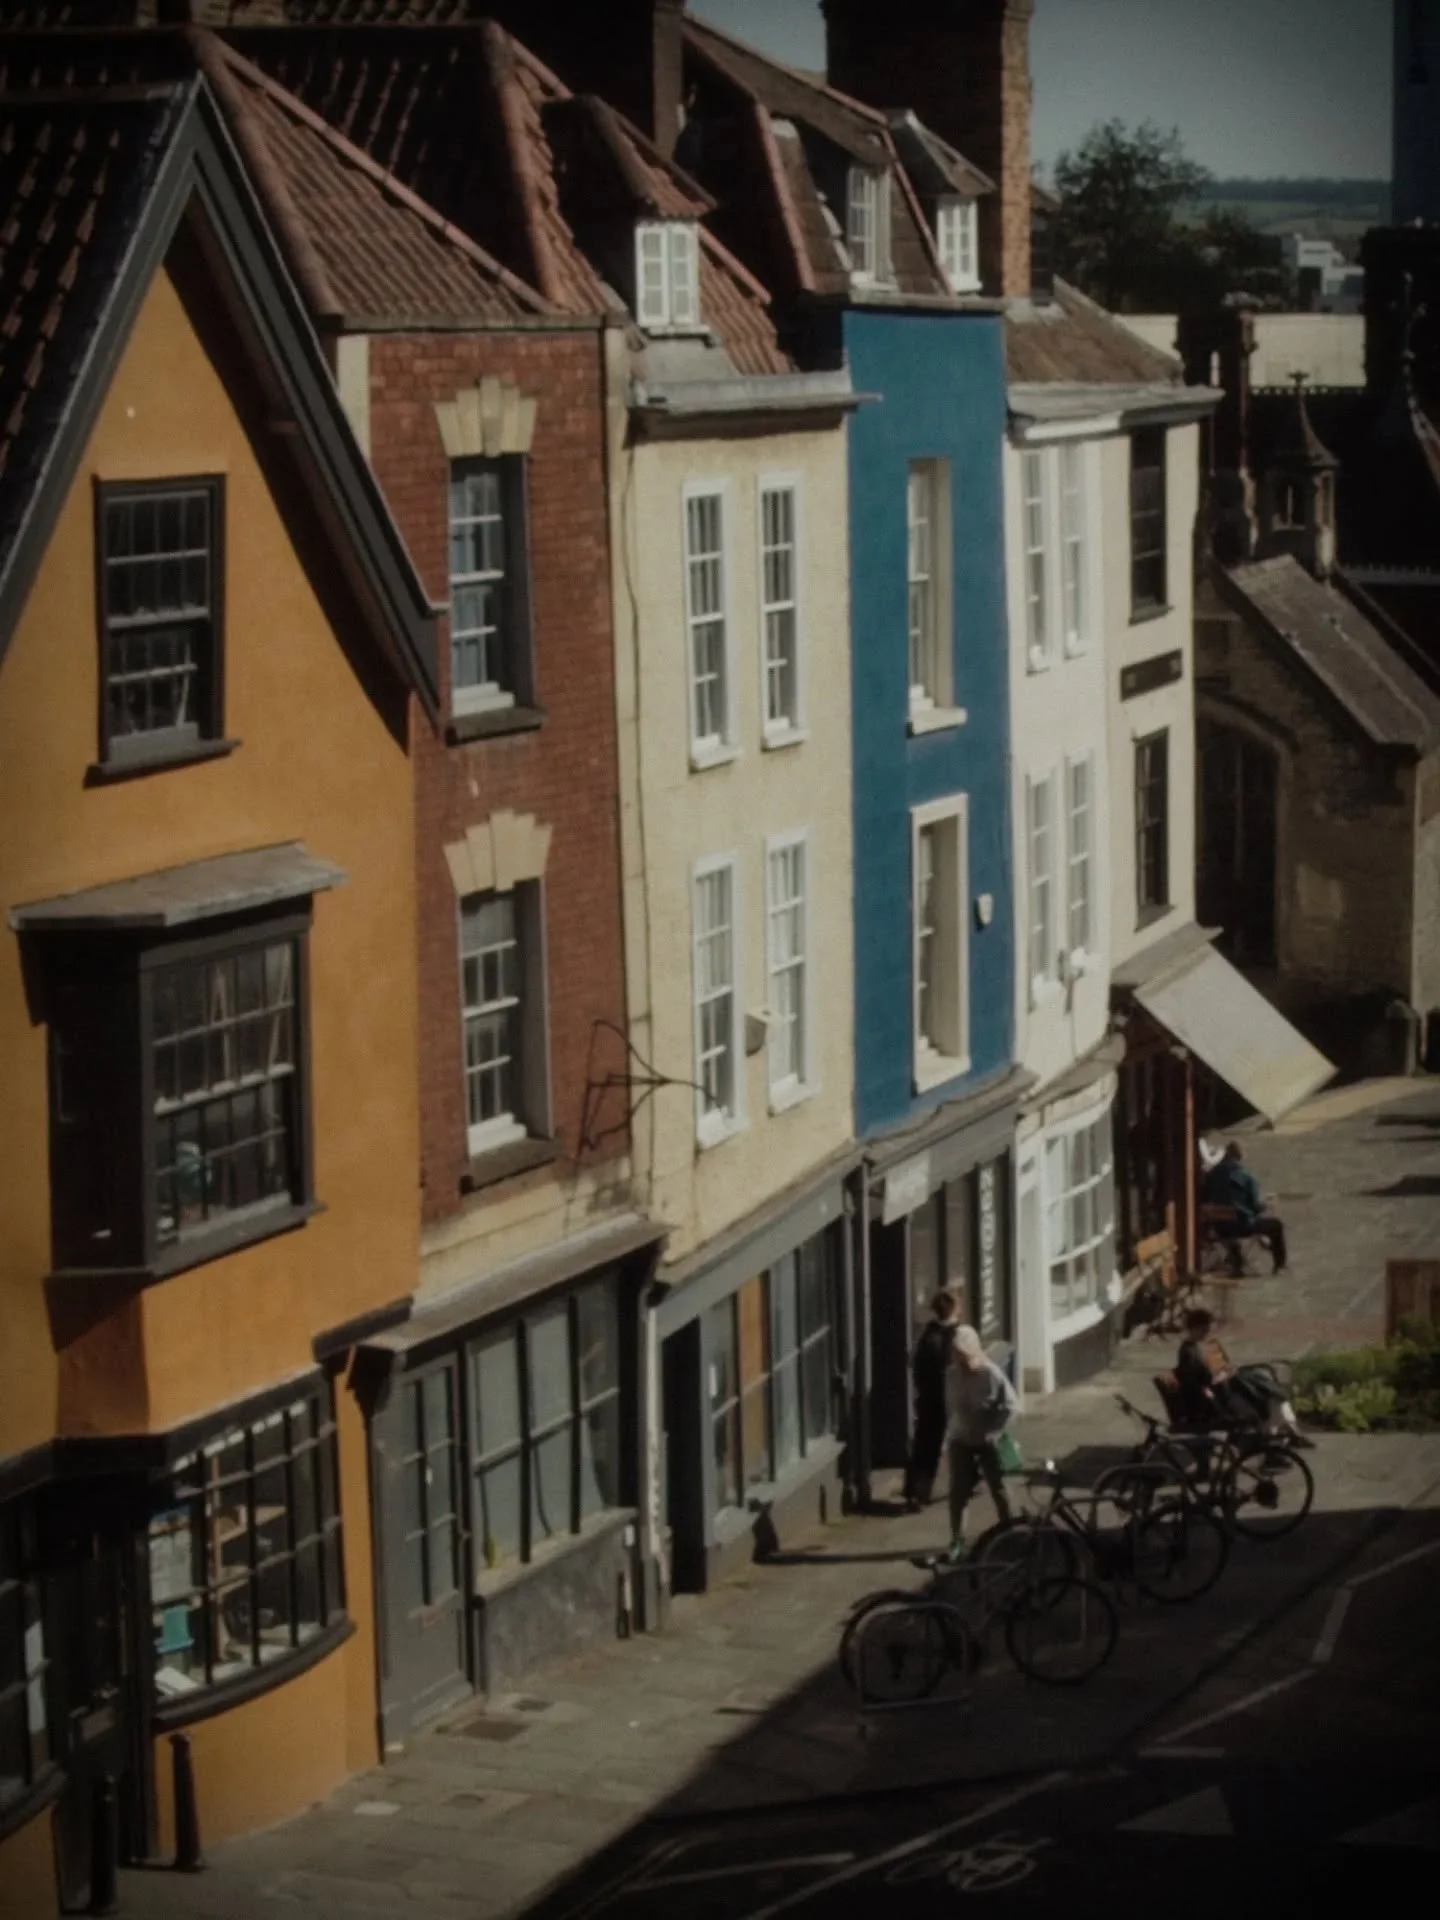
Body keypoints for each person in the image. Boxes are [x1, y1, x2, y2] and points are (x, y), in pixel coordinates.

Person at [1174, 1309, 1312, 1446]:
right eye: (1204, 1330)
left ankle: (1280, 1439)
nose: (1207, 1334)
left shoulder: (1197, 1348)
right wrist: (1223, 1376)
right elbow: (1200, 1383)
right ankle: (1274, 1444)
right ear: (1195, 1328)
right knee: (1263, 1400)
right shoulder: (1189, 1353)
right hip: (1210, 1404)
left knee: (1266, 1395)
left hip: (1219, 1394)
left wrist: (1225, 1372)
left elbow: (1208, 1376)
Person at [944, 1324, 1018, 1559]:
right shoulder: (951, 1375)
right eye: (957, 1356)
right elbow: (951, 1408)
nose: (961, 1362)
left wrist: (994, 1429)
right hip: (961, 1439)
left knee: (999, 1488)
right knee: (958, 1492)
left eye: (964, 1356)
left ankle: (1010, 1533)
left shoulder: (991, 1374)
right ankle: (957, 1539)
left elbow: (1011, 1406)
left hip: (988, 1440)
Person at [903, 1291, 957, 1511]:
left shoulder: (928, 1334)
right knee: (968, 1441)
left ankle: (915, 1491)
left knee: (924, 1445)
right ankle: (972, 1479)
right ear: (954, 1308)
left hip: (928, 1398)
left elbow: (916, 1365)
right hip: (950, 1397)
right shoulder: (956, 1333)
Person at [1202, 1140, 1288, 1275]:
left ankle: (1237, 1262)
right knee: (1276, 1225)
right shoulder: (1247, 1177)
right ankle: (1280, 1264)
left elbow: (1206, 1196)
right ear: (1240, 1157)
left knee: (1232, 1223)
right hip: (1242, 1226)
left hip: (1218, 1227)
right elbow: (1255, 1207)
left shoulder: (1212, 1175)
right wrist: (1266, 1205)